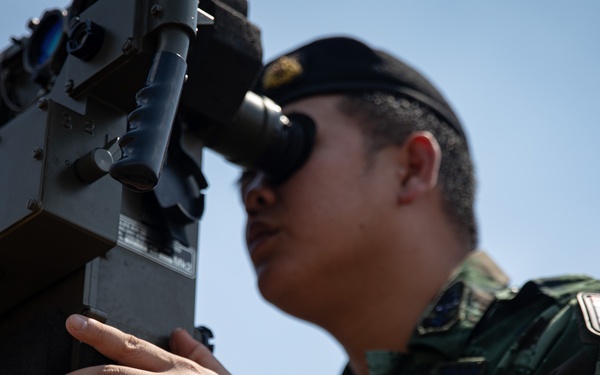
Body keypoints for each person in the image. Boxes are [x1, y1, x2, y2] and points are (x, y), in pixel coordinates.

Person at [65, 36, 600, 375]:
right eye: (244, 174)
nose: (255, 192)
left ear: (412, 169)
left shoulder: (570, 336)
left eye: (286, 149)